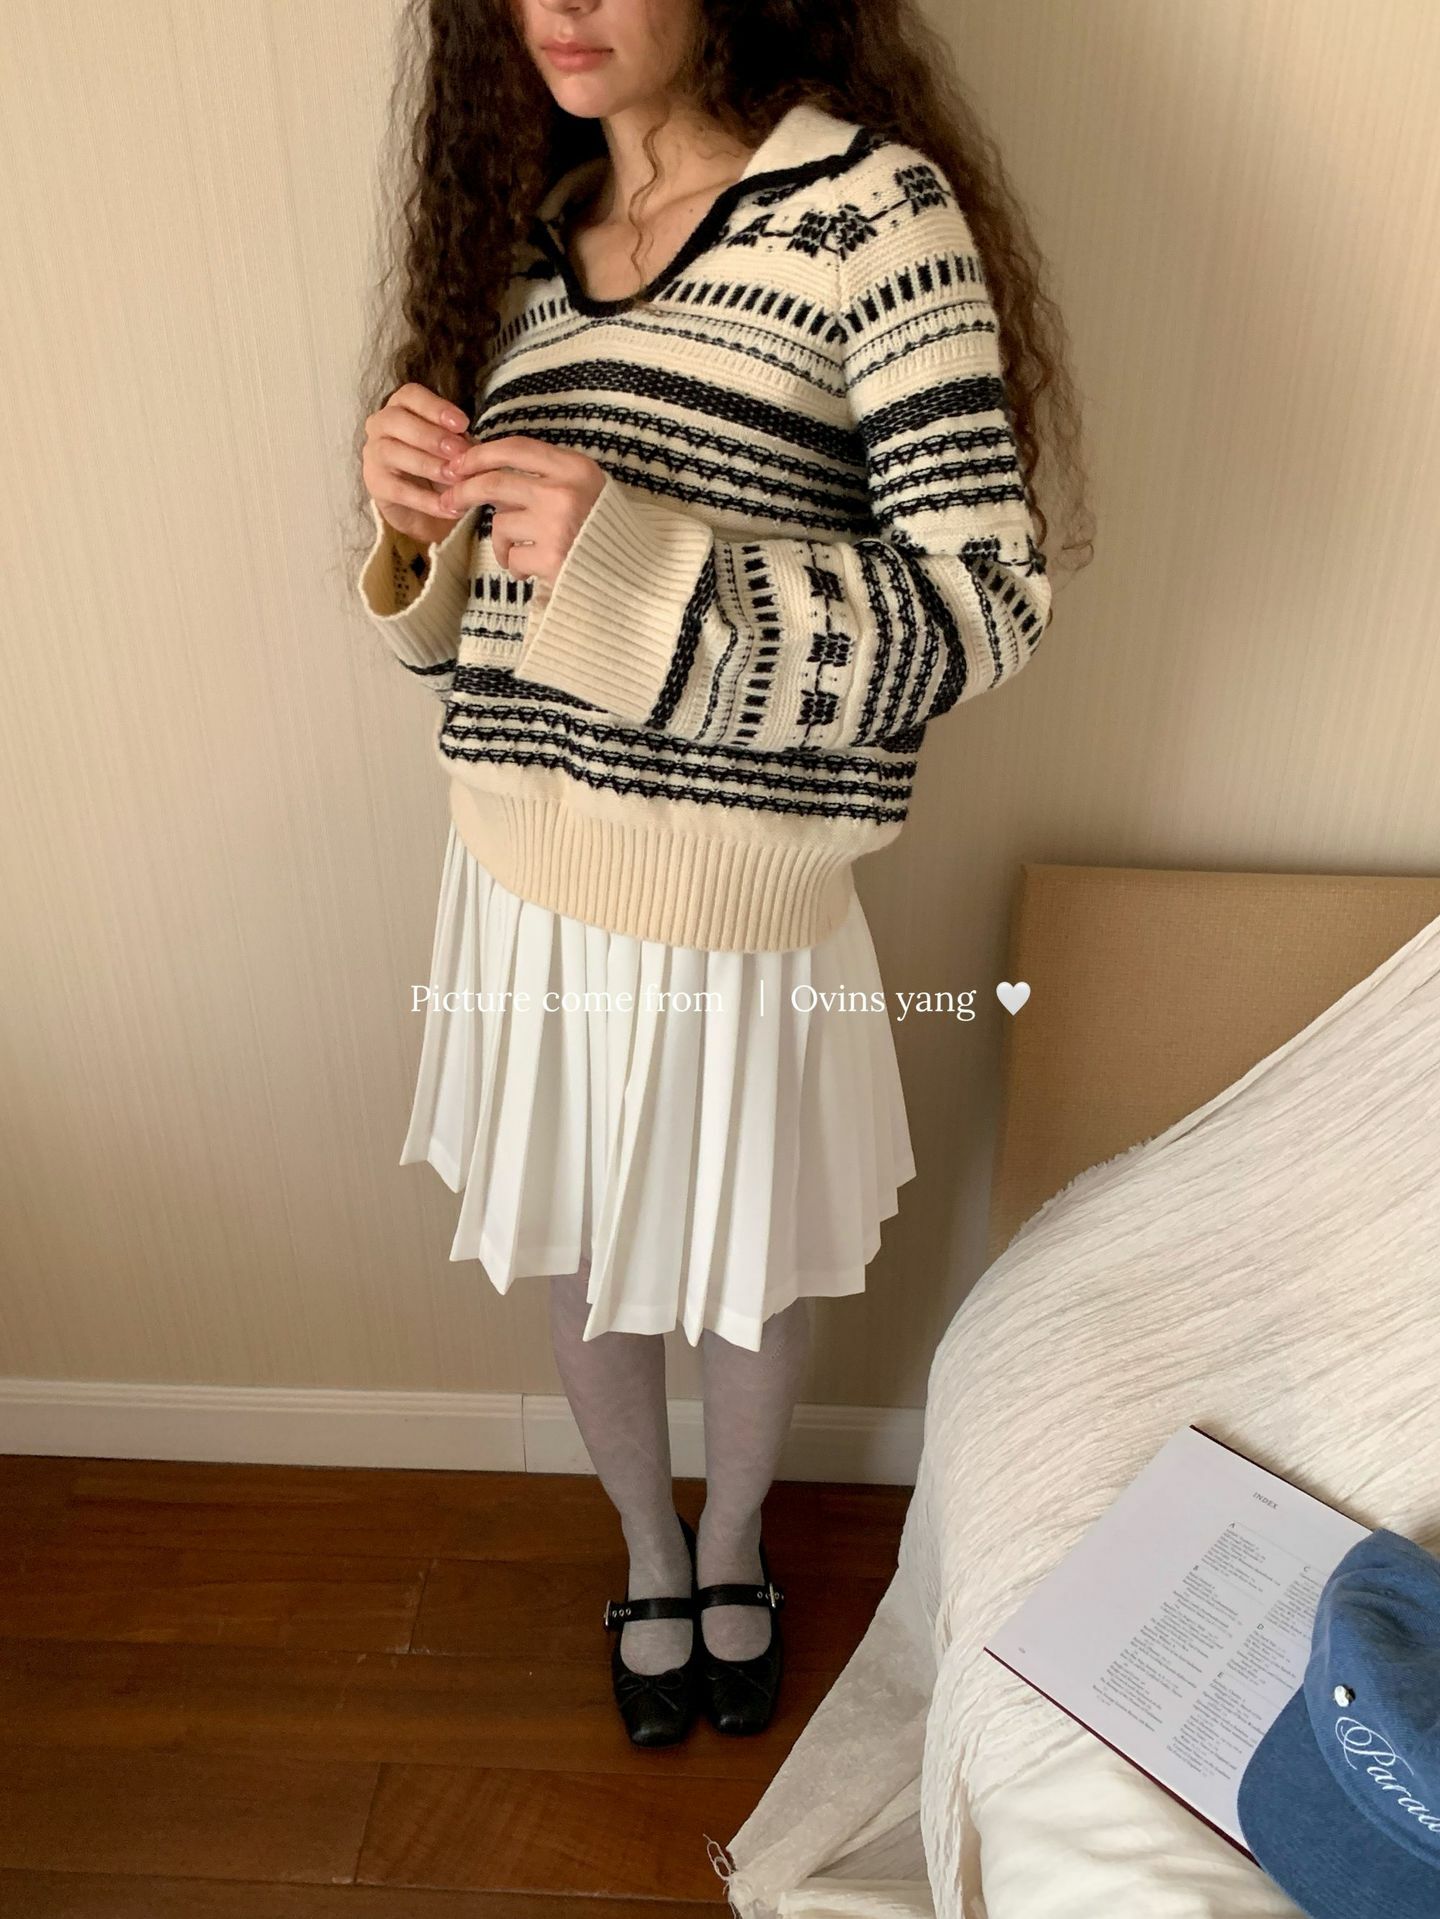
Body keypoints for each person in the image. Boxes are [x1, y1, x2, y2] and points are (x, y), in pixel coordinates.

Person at [353, 0, 1087, 1748]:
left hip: (734, 907)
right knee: (581, 1253)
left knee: (747, 1264)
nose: (565, 7)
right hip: (517, 895)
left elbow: (983, 608)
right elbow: (475, 644)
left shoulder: (867, 214)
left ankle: (738, 1539)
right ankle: (648, 1550)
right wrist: (409, 541)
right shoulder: (518, 243)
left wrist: (642, 562)